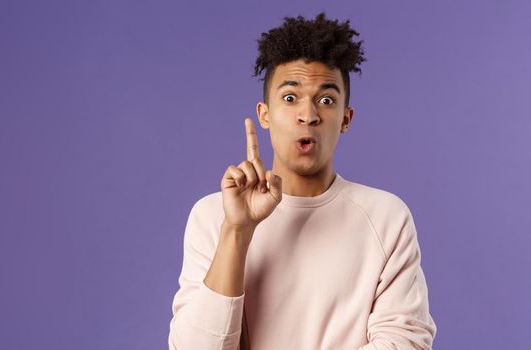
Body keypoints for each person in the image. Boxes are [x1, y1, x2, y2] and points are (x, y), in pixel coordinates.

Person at [167, 13, 436, 349]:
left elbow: (404, 341)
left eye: (326, 100)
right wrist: (237, 232)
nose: (308, 115)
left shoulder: (386, 218)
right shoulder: (213, 216)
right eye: (290, 98)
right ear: (265, 114)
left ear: (346, 119)